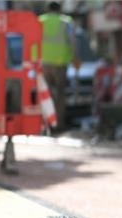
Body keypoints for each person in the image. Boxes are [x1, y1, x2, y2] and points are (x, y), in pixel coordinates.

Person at [39, 1, 79, 133]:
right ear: (60, 10)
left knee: (45, 94)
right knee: (60, 95)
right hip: (60, 62)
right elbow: (72, 40)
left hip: (44, 62)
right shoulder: (65, 22)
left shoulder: (40, 21)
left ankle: (46, 123)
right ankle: (58, 124)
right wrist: (75, 57)